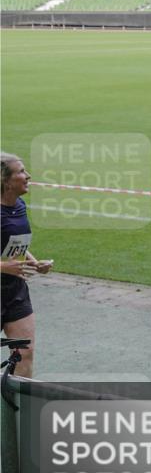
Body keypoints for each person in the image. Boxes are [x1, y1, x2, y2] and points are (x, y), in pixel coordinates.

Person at [0, 153, 53, 378]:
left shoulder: (19, 205)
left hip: (15, 292)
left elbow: (14, 243)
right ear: (5, 181)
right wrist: (3, 267)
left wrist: (32, 262)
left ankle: (19, 412)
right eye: (21, 172)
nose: (28, 176)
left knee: (24, 353)